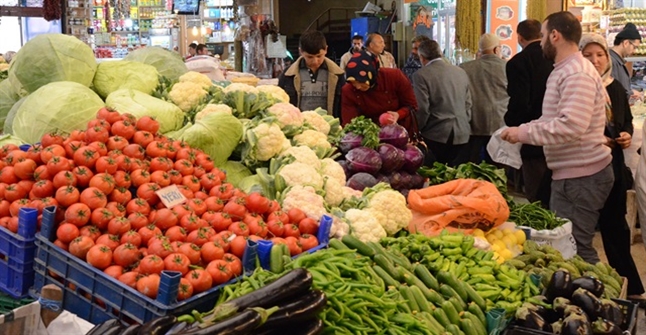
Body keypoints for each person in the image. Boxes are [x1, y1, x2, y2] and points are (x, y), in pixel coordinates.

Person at [501, 12, 614, 264]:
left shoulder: (577, 73)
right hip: (570, 174)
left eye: (542, 36)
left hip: (582, 177)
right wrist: (523, 129)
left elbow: (571, 126)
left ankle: (595, 300)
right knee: (566, 246)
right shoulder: (564, 70)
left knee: (577, 249)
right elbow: (553, 118)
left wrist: (523, 132)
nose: (540, 42)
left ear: (555, 35)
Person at [580, 33, 646, 302]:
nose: (595, 60)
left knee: (615, 227)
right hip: (583, 168)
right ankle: (585, 288)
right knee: (581, 231)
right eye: (588, 55)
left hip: (612, 167)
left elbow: (626, 121)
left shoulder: (615, 88)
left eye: (600, 55)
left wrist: (626, 135)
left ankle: (631, 287)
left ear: (607, 58)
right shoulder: (577, 87)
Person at [504, 19, 554, 208]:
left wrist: (512, 124)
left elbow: (519, 102)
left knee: (536, 194)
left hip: (531, 135)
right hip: (557, 134)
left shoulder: (517, 62)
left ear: (519, 37)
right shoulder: (554, 58)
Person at [413, 39, 471, 167]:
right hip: (462, 133)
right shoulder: (460, 72)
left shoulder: (421, 75)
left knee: (435, 175)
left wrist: (418, 130)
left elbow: (422, 109)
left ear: (422, 58)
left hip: (436, 134)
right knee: (455, 175)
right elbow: (468, 104)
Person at [459, 33, 508, 164]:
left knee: (471, 166)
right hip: (499, 123)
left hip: (473, 124)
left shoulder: (465, 68)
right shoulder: (507, 67)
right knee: (496, 168)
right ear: (497, 50)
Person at [341, 50, 417, 127]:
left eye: (361, 82)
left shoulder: (394, 77)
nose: (358, 87)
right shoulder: (348, 90)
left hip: (400, 129)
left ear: (372, 74)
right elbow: (349, 122)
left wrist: (399, 114)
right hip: (368, 132)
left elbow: (412, 105)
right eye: (353, 83)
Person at [278, 30, 344, 117]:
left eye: (319, 56)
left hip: (328, 125)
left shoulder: (338, 75)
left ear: (326, 50)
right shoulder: (287, 75)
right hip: (300, 126)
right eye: (310, 57)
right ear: (301, 51)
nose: (315, 61)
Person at [610, 23, 642, 98]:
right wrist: (630, 93)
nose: (634, 51)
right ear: (626, 43)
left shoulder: (618, 61)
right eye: (634, 47)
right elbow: (612, 90)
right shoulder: (611, 61)